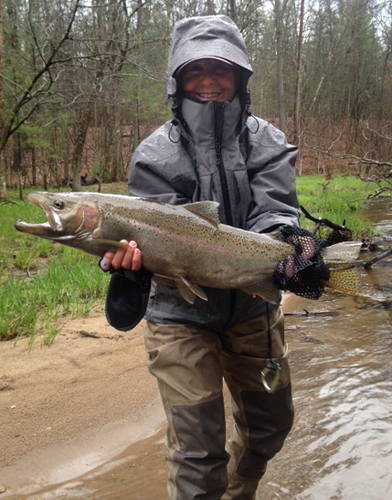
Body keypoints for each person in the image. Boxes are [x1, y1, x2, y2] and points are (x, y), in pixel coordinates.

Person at [101, 15, 302, 500]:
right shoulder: (153, 153)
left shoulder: (267, 140)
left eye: (220, 69)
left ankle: (240, 491)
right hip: (178, 314)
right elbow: (151, 229)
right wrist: (128, 260)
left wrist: (285, 242)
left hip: (254, 309)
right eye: (196, 71)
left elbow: (275, 208)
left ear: (239, 77)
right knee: (197, 455)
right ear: (178, 80)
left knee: (271, 427)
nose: (209, 81)